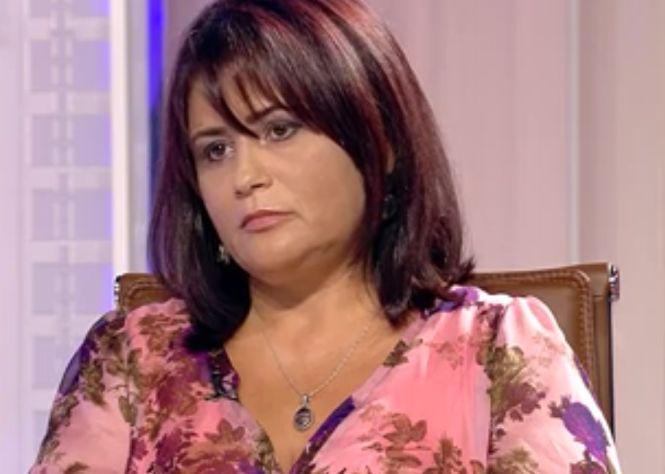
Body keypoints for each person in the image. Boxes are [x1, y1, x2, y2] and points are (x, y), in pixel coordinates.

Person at [31, 0, 622, 472]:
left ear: (380, 143)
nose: (244, 176)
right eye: (215, 149)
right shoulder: (130, 359)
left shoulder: (500, 350)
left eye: (279, 130)